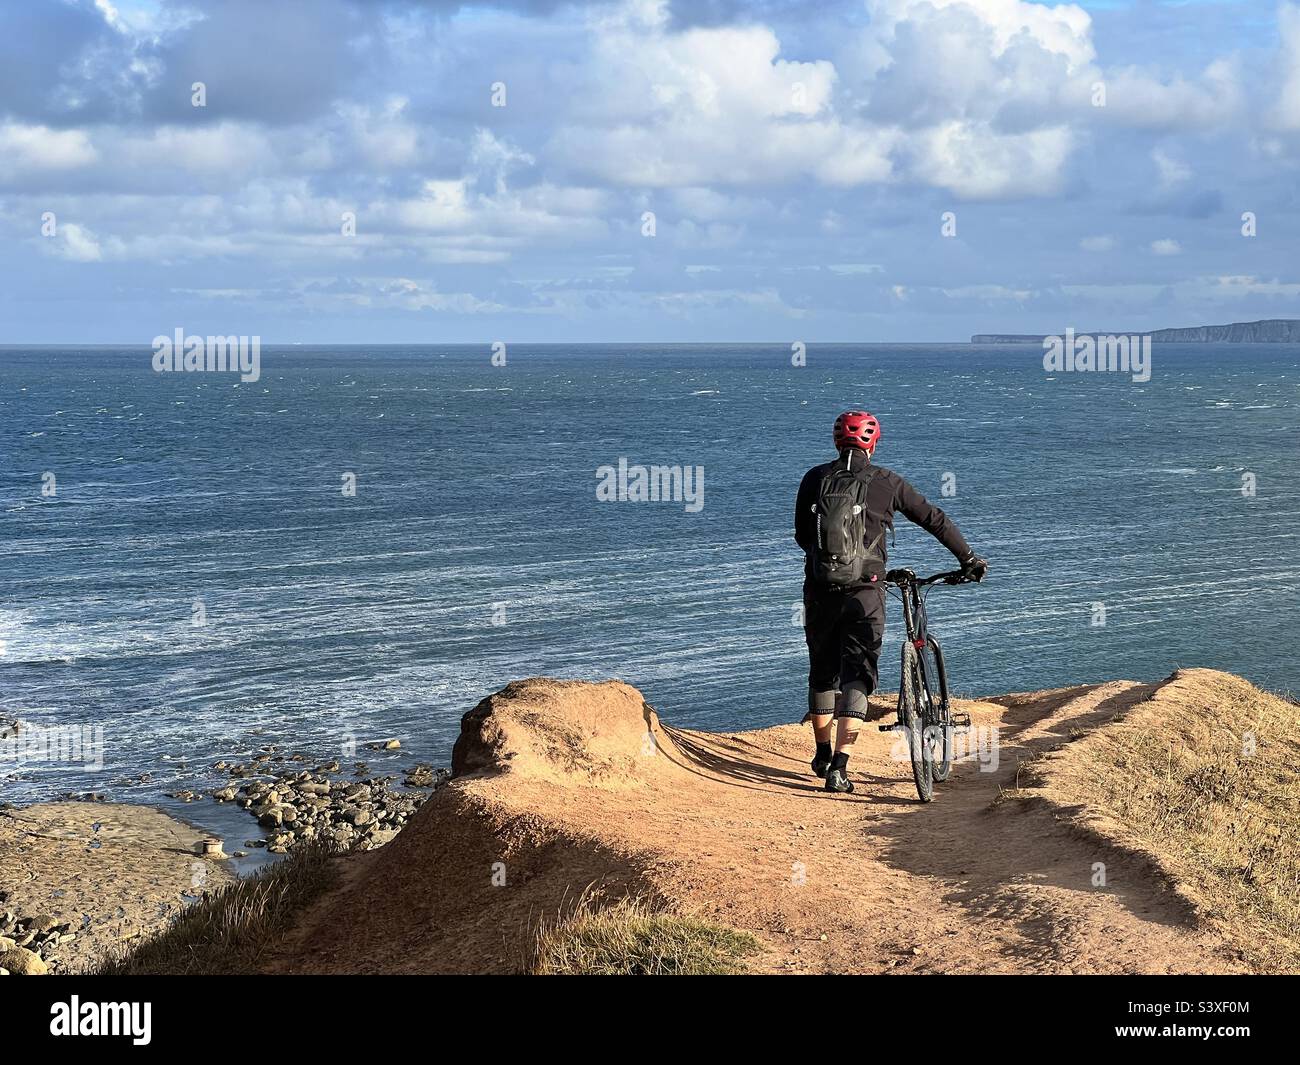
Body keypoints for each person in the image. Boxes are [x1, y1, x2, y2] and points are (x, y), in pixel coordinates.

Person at [795, 410, 987, 794]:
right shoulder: (888, 482)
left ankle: (820, 752)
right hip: (865, 593)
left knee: (823, 672)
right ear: (874, 442)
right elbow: (934, 519)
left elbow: (803, 536)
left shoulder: (814, 478)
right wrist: (968, 559)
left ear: (837, 441)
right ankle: (840, 767)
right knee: (858, 675)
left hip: (820, 591)